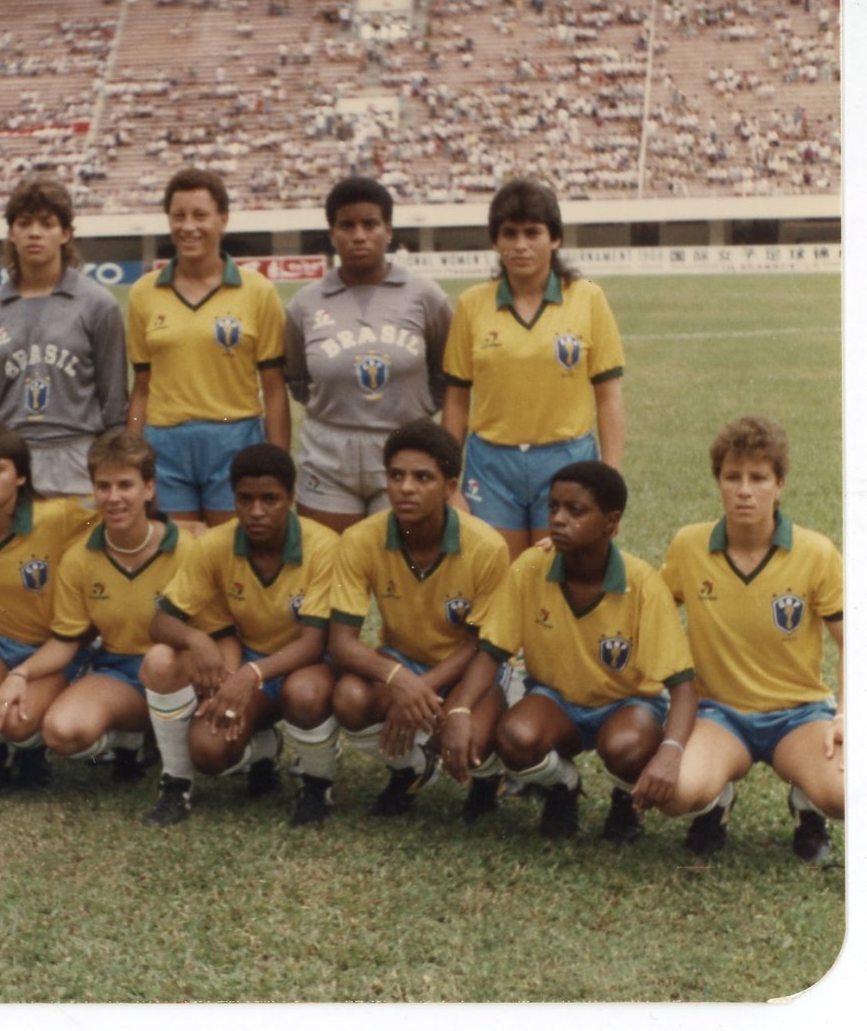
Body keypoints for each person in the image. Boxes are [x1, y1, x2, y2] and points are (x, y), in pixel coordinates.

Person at [444, 461, 697, 841]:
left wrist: (672, 750)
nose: (558, 519)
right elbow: (491, 651)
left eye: (575, 511)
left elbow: (682, 686)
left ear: (611, 523)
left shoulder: (642, 583)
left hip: (628, 705)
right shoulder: (530, 567)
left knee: (629, 746)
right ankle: (563, 786)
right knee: (515, 737)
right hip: (556, 700)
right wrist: (461, 708)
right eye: (554, 508)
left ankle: (624, 801)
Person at [289, 419, 509, 823]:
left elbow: (482, 644)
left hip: (467, 669)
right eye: (396, 476)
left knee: (470, 736)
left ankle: (486, 781)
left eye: (422, 477)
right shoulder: (360, 539)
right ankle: (408, 767)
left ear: (449, 487)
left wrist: (421, 687)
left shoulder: (487, 547)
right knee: (351, 698)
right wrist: (400, 679)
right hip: (402, 660)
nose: (406, 488)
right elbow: (342, 642)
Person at [658, 417, 844, 862]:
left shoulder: (815, 552)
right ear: (718, 482)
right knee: (676, 793)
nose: (745, 490)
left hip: (798, 715)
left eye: (758, 478)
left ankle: (807, 803)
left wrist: (848, 713)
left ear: (779, 484)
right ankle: (717, 797)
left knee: (846, 793)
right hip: (720, 714)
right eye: (732, 477)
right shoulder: (688, 545)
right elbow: (646, 606)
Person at [142, 444, 339, 825]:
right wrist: (197, 640)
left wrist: (251, 675)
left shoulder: (324, 546)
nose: (257, 511)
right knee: (207, 749)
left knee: (305, 693)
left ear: (291, 497)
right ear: (233, 499)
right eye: (245, 500)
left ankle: (318, 784)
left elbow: (314, 641)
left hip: (307, 666)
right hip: (249, 665)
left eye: (270, 499)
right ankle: (180, 782)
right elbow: (160, 622)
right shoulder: (215, 543)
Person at [0, 430, 186, 781]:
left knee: (164, 663)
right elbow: (67, 641)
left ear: (149, 489)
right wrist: (20, 675)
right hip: (122, 673)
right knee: (61, 731)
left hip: (180, 672)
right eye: (103, 487)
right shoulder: (80, 558)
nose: (114, 498)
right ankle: (133, 738)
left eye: (126, 485)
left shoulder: (188, 548)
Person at [441, 178, 625, 557]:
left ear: (554, 238)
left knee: (556, 575)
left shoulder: (588, 299)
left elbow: (608, 395)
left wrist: (610, 474)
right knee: (498, 575)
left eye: (532, 232)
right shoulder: (472, 304)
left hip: (566, 459)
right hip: (491, 464)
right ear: (496, 241)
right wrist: (449, 476)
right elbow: (457, 400)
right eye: (509, 233)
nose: (520, 245)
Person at [284, 178, 452, 533]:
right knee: (330, 569)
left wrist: (415, 406)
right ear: (332, 233)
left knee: (401, 572)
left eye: (370, 224)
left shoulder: (425, 296)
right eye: (347, 225)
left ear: (388, 230)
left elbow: (445, 372)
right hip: (329, 452)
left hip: (405, 448)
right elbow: (298, 380)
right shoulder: (305, 304)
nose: (358, 235)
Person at [127, 167, 289, 525]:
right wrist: (133, 453)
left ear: (223, 220)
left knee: (230, 553)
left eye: (200, 215)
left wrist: (279, 463)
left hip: (235, 437)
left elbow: (275, 389)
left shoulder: (257, 290)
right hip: (164, 443)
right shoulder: (143, 293)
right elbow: (141, 388)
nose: (188, 226)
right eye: (178, 216)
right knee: (176, 557)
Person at [0, 425, 97, 792]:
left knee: (19, 722)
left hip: (50, 648)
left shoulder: (56, 517)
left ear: (21, 475)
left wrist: (190, 528)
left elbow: (120, 508)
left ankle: (30, 750)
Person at [0, 179, 127, 496]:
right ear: (12, 233)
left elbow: (115, 403)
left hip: (79, 454)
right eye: (24, 224)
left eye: (47, 223)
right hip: (9, 457)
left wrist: (114, 467)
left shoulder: (98, 304)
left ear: (65, 233)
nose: (35, 232)